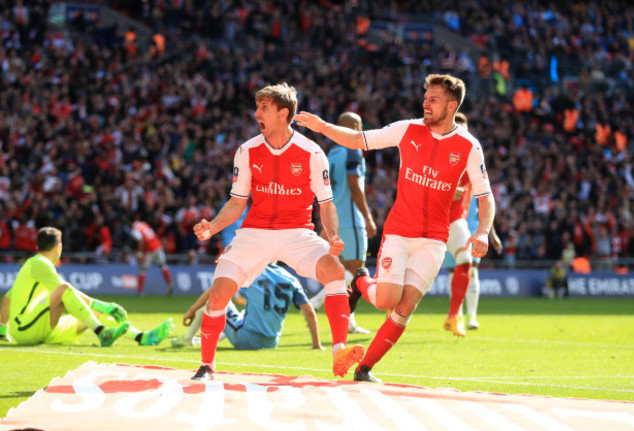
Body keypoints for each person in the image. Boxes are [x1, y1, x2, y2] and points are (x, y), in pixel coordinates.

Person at [295, 73, 495, 383]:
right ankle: (360, 280)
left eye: (434, 100)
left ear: (452, 106)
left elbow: (485, 195)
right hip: (399, 233)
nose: (425, 103)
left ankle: (364, 370)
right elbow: (359, 140)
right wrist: (322, 127)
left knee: (406, 306)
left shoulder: (469, 146)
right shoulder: (407, 129)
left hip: (434, 240)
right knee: (386, 300)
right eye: (425, 97)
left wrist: (482, 230)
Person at [190, 83, 363, 381]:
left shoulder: (312, 152)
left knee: (334, 270)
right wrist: (213, 226)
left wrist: (332, 235)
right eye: (257, 107)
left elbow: (326, 204)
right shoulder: (246, 151)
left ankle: (338, 353)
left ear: (284, 114)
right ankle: (206, 366)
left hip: (297, 232)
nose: (257, 113)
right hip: (255, 232)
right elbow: (236, 203)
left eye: (264, 108)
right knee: (219, 294)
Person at [0, 227, 173, 346]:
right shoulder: (40, 263)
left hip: (33, 328)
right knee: (65, 290)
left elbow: (7, 299)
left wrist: (3, 331)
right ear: (58, 248)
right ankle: (101, 332)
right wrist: (102, 304)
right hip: (26, 329)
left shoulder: (32, 266)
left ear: (38, 245)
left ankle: (142, 337)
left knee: (95, 314)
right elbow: (64, 289)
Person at [309, 112, 376, 335]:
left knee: (344, 269)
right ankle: (316, 303)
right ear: (349, 126)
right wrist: (367, 217)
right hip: (351, 218)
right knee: (356, 271)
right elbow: (354, 186)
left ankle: (348, 321)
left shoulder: (332, 153)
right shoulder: (352, 150)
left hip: (334, 217)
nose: (361, 128)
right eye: (358, 124)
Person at [442, 113, 502, 335]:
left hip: (468, 223)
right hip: (440, 221)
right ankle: (454, 316)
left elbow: (485, 198)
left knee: (470, 267)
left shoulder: (473, 158)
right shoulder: (443, 152)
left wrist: (488, 231)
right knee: (450, 272)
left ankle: (469, 316)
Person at [171, 262, 323, 350]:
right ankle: (207, 339)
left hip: (246, 339)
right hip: (272, 343)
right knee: (244, 313)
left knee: (213, 303)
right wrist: (316, 344)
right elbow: (309, 311)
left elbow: (214, 291)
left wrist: (192, 310)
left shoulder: (251, 272)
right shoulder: (291, 278)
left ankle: (187, 338)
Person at [131, 218, 174, 296]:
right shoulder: (144, 224)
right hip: (158, 246)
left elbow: (140, 241)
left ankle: (140, 292)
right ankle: (169, 284)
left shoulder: (135, 229)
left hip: (149, 250)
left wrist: (140, 253)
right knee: (163, 266)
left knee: (143, 270)